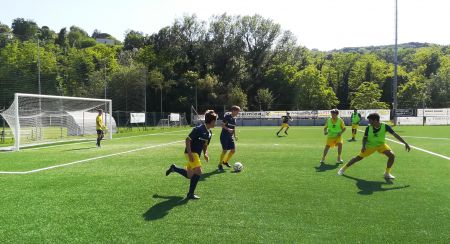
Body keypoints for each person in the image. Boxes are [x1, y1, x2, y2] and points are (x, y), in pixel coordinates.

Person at [338, 113, 411, 179]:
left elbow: (395, 135)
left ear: (375, 120)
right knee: (358, 158)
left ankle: (387, 173)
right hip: (370, 146)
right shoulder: (368, 128)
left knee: (392, 155)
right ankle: (343, 169)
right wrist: (363, 146)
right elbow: (364, 138)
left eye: (370, 120)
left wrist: (405, 143)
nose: (368, 122)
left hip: (381, 145)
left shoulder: (385, 126)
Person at [165, 110, 218, 200]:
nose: (216, 123)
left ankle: (174, 168)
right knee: (199, 171)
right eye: (215, 121)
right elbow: (187, 140)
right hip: (191, 152)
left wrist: (205, 153)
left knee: (190, 175)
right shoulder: (198, 129)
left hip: (196, 154)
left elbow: (205, 145)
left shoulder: (210, 133)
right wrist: (189, 154)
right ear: (212, 121)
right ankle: (190, 194)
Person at [218, 105, 241, 172]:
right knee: (224, 150)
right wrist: (228, 129)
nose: (238, 113)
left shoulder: (234, 119)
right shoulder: (227, 117)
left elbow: (233, 128)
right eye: (237, 111)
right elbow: (222, 125)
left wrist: (235, 135)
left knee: (233, 150)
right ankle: (220, 165)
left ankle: (225, 162)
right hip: (224, 136)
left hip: (230, 137)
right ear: (233, 111)